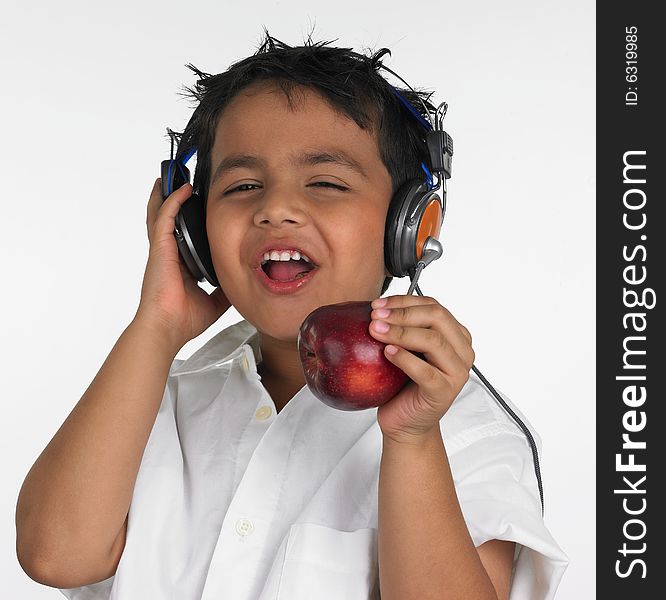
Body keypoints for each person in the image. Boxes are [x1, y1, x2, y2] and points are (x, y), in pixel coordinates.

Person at [15, 30, 568, 600]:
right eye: (243, 185)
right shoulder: (149, 396)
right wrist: (156, 325)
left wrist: (412, 442)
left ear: (409, 226)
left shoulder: (463, 428)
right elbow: (56, 556)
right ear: (194, 232)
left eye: (327, 183)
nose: (275, 207)